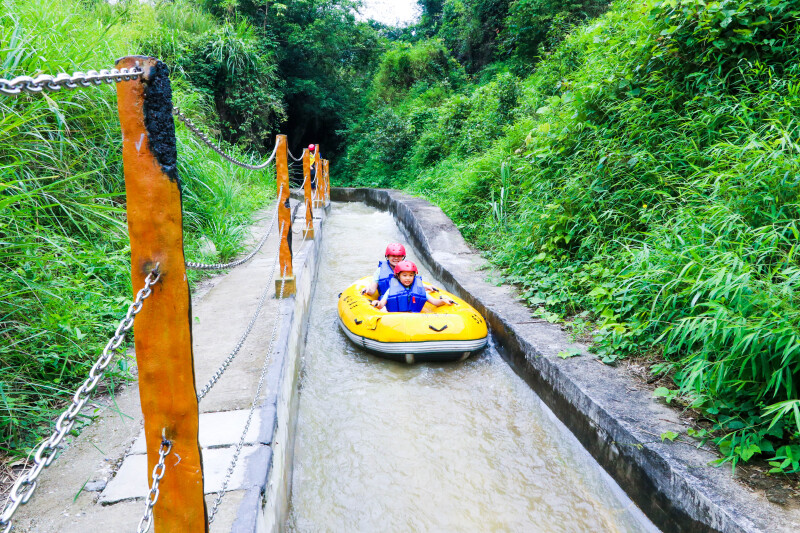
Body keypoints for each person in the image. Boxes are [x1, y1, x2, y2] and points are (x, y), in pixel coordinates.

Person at [373, 261, 454, 312]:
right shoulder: (391, 290)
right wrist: (377, 303)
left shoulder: (419, 290)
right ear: (398, 276)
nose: (408, 278)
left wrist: (443, 301)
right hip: (396, 320)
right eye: (404, 275)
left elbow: (435, 302)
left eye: (411, 275)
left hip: (413, 320)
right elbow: (381, 304)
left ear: (414, 276)